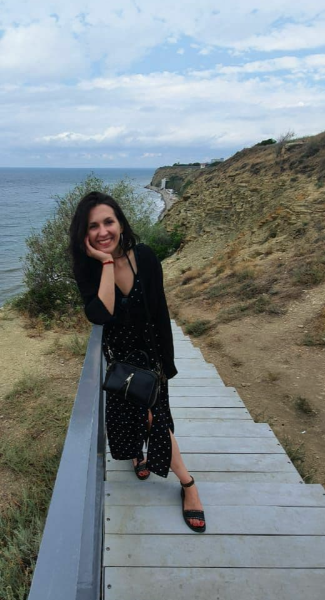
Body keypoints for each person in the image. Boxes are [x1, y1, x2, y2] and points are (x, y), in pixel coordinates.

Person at [68, 190, 206, 532]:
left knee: (154, 418)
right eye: (93, 226)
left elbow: (160, 311)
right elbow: (101, 314)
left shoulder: (144, 256)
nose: (103, 231)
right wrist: (105, 263)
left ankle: (188, 484)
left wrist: (166, 363)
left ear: (120, 222)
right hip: (121, 361)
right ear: (84, 235)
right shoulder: (88, 268)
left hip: (151, 357)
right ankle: (143, 459)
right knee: (141, 418)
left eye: (109, 222)